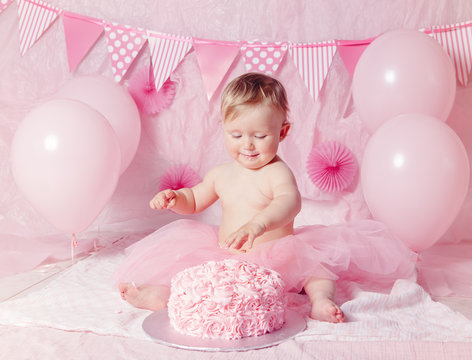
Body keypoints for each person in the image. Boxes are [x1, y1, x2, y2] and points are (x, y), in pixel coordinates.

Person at [116, 73, 416, 323]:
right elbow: (194, 200)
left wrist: (258, 225)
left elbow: (289, 203)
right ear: (223, 129)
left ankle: (321, 302)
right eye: (236, 135)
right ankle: (159, 296)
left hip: (280, 257)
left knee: (318, 270)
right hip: (230, 255)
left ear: (282, 132)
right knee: (192, 273)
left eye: (260, 136)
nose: (248, 144)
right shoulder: (221, 173)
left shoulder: (276, 173)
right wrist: (175, 198)